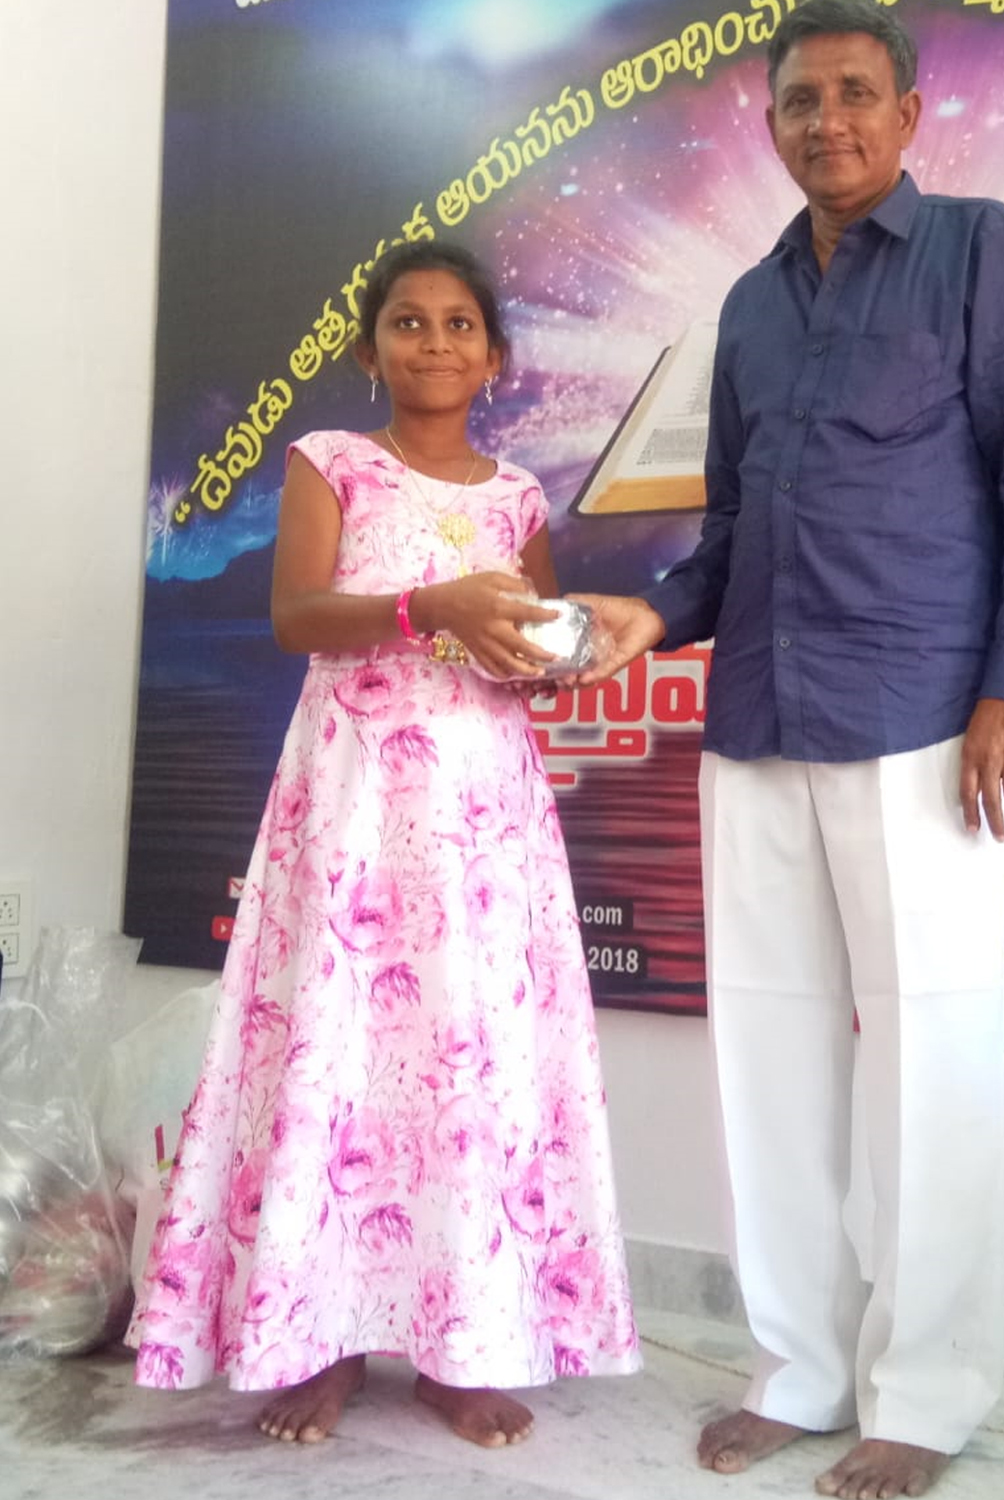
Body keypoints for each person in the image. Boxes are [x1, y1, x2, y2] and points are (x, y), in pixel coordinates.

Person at [576, 2, 1004, 1495]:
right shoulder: (749, 307)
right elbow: (731, 532)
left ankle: (925, 1396)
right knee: (770, 1062)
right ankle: (800, 1368)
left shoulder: (983, 250)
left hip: (926, 722)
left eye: (856, 94)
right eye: (802, 101)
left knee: (933, 1063)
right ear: (773, 125)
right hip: (755, 722)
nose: (829, 122)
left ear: (909, 113)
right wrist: (651, 617)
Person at [128, 239, 640, 1447]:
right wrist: (429, 607)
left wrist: (554, 657)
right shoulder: (333, 462)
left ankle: (458, 1351)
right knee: (342, 1053)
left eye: (461, 324)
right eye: (409, 322)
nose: (435, 343)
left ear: (495, 357)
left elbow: (530, 648)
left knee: (467, 1068)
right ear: (370, 348)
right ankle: (326, 1342)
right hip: (355, 805)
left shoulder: (518, 500)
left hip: (484, 821)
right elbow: (297, 616)